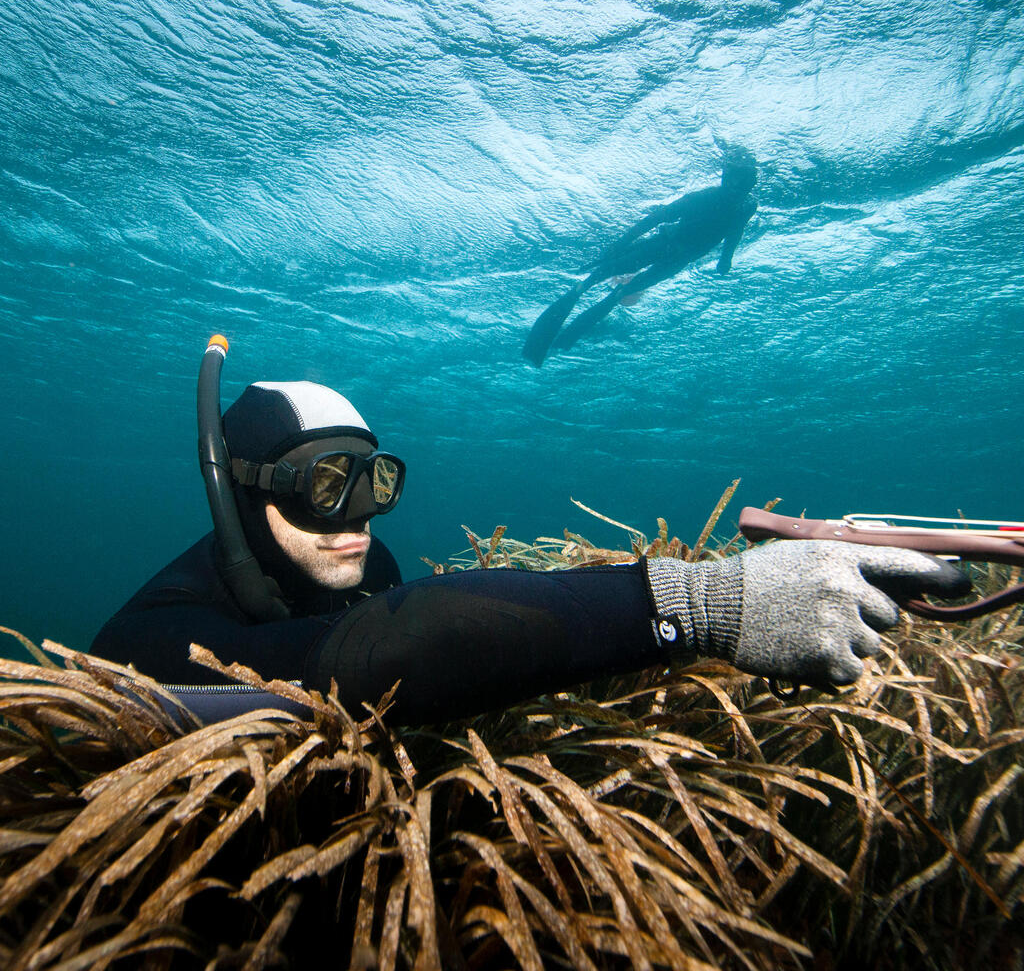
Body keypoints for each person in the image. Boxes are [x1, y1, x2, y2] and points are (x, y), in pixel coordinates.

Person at [92, 342, 969, 726]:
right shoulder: (147, 639)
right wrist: (708, 601)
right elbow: (389, 648)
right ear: (249, 496)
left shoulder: (360, 561)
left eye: (373, 483)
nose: (357, 519)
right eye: (327, 487)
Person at [522, 148, 759, 367]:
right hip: (662, 246)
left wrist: (726, 258)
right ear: (725, 177)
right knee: (598, 277)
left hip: (677, 259)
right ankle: (578, 292)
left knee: (621, 293)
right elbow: (657, 217)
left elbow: (735, 231)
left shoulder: (747, 207)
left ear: (751, 184)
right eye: (733, 179)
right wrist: (621, 244)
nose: (736, 187)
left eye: (744, 182)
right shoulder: (703, 198)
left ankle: (564, 339)